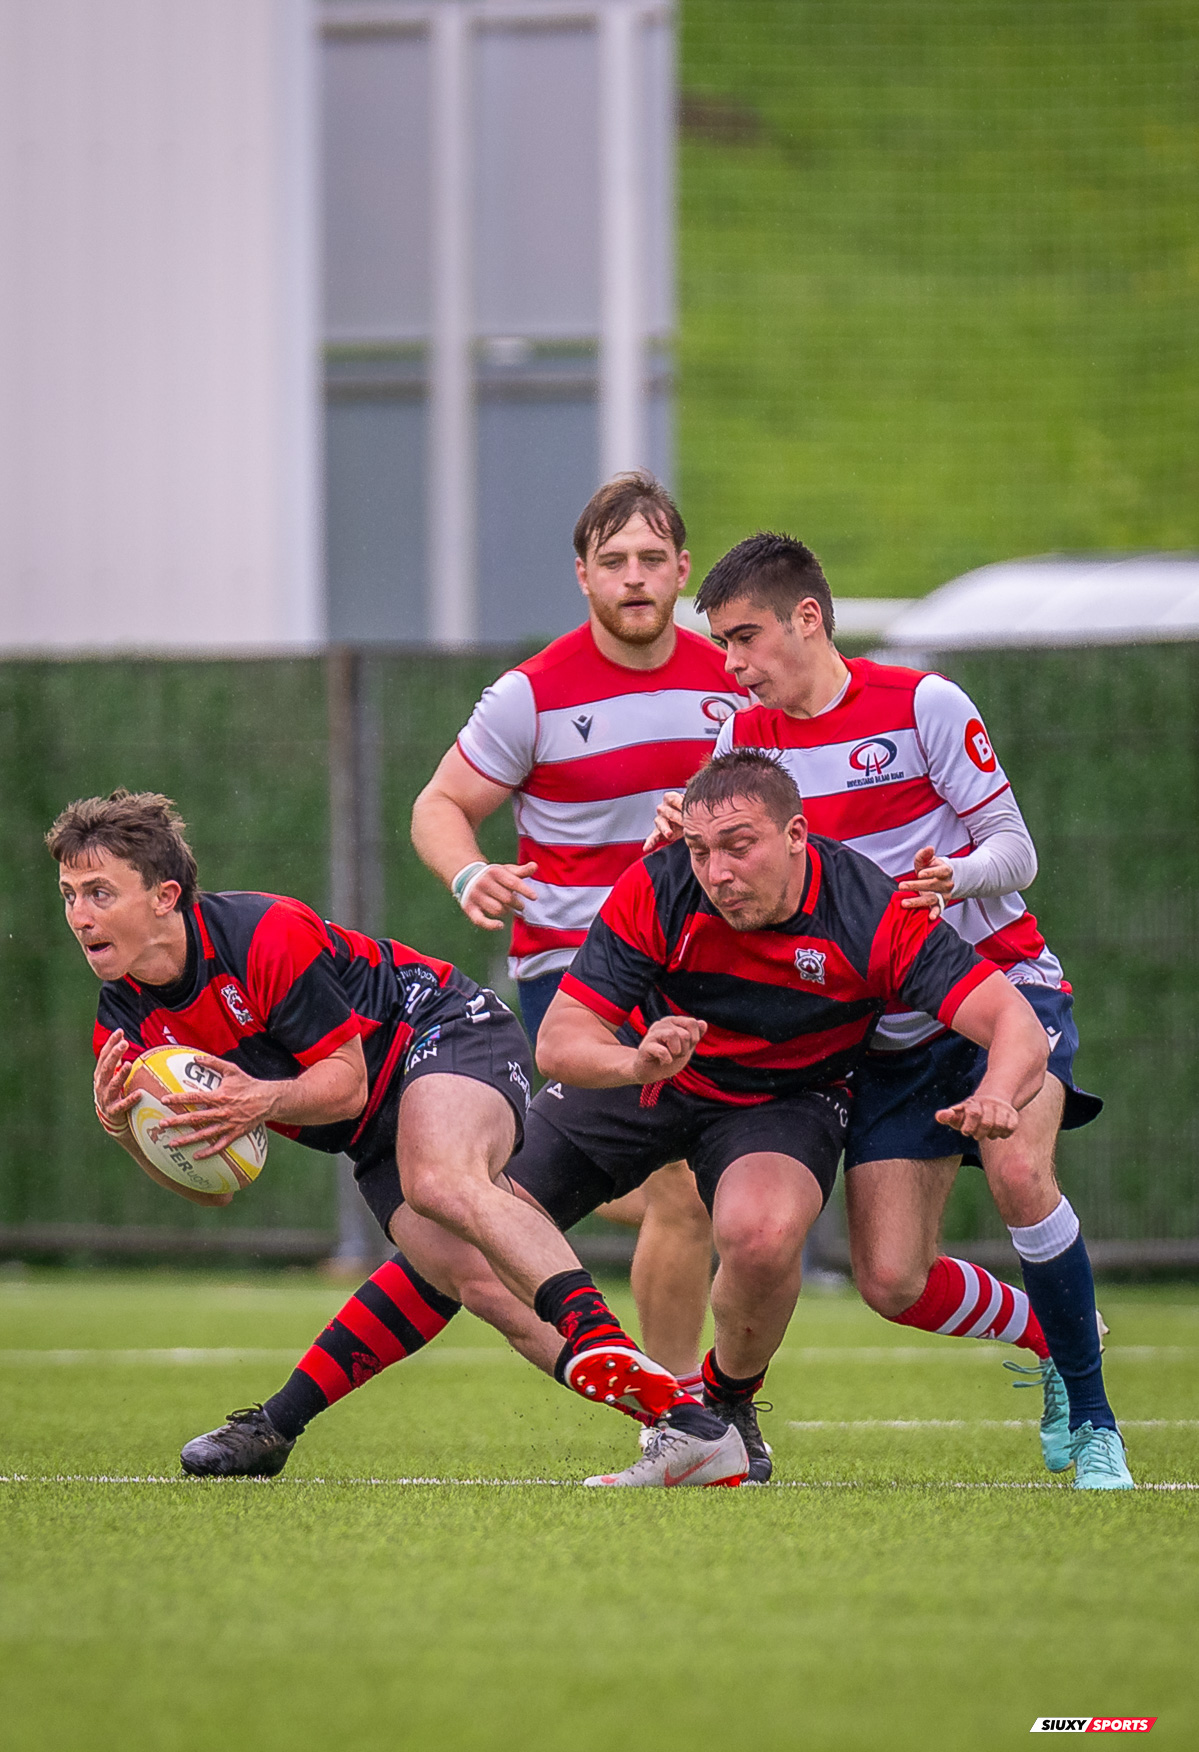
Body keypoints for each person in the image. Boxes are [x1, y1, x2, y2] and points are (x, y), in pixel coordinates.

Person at [48, 788, 748, 1488]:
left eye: (100, 893)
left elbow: (345, 1084)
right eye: (70, 896)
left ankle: (592, 1329)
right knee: (479, 1283)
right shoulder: (122, 1028)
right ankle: (691, 1427)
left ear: (165, 896)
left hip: (444, 1029)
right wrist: (127, 1131)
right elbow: (215, 1191)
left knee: (438, 1180)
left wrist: (260, 1098)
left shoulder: (262, 934)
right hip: (371, 1135)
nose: (81, 916)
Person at [649, 532, 1132, 1491]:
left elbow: (1016, 849)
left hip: (1000, 989)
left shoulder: (922, 703)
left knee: (1020, 1171)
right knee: (890, 1281)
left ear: (807, 618)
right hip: (885, 1031)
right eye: (722, 645)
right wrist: (678, 835)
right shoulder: (743, 741)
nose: (732, 664)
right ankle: (1052, 1332)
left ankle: (1095, 1422)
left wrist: (956, 877)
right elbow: (735, 874)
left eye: (744, 637)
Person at [508, 749, 1050, 1486]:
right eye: (701, 851)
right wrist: (635, 1061)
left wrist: (999, 1092)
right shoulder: (660, 884)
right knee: (473, 1215)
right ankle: (670, 1413)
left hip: (784, 1097)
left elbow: (1013, 1021)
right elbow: (558, 1041)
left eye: (739, 846)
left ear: (796, 835)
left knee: (763, 1239)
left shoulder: (869, 909)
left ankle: (721, 1409)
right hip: (653, 1067)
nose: (717, 872)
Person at [410, 471, 747, 1389]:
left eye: (650, 558)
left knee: (689, 1190)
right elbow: (439, 804)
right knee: (680, 1187)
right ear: (582, 575)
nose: (633, 576)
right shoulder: (531, 693)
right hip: (575, 974)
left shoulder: (733, 682)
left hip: (699, 970)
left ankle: (677, 1407)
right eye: (613, 560)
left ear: (682, 569)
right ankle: (680, 1408)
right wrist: (468, 871)